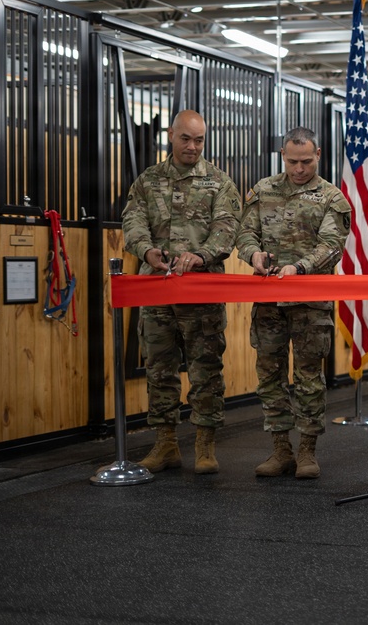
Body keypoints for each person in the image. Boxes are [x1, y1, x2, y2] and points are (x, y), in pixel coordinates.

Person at [121, 109, 241, 475]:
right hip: (156, 290)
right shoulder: (148, 179)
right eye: (186, 138)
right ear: (171, 135)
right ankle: (166, 443)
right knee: (159, 369)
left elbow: (227, 227)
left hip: (201, 291)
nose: (192, 146)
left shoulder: (219, 182)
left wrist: (201, 255)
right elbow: (132, 220)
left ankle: (205, 444)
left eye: (199, 140)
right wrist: (146, 251)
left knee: (206, 370)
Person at [236, 127, 350, 480]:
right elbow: (244, 232)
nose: (299, 169)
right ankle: (280, 449)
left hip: (310, 305)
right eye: (291, 161)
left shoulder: (332, 197)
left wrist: (299, 267)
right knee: (269, 375)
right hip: (269, 301)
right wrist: (253, 254)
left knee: (308, 378)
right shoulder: (264, 190)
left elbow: (332, 244)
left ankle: (307, 451)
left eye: (305, 161)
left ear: (318, 154)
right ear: (282, 156)